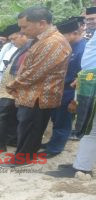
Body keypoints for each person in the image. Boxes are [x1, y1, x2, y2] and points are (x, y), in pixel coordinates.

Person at [2, 6, 71, 167]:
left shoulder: (53, 42)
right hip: (33, 95)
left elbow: (35, 72)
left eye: (25, 26)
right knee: (28, 127)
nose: (22, 31)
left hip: (38, 96)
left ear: (42, 23)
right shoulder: (44, 40)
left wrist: (13, 85)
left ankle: (23, 160)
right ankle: (25, 156)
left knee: (30, 128)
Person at [40, 19, 86, 156]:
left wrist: (76, 99)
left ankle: (55, 149)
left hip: (70, 90)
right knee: (55, 118)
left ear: (75, 33)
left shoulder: (84, 49)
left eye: (63, 35)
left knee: (63, 120)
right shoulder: (68, 46)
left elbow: (82, 75)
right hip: (59, 88)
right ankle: (53, 142)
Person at [0, 25, 30, 155]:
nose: (12, 41)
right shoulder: (20, 48)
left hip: (11, 89)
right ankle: (11, 139)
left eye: (14, 38)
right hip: (8, 87)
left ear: (23, 36)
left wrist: (13, 86)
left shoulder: (29, 50)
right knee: (10, 115)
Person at [70, 31, 96, 140]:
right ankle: (79, 130)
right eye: (88, 19)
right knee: (81, 104)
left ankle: (80, 132)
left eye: (92, 18)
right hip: (86, 74)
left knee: (85, 105)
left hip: (92, 75)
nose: (90, 21)